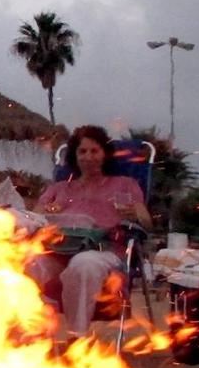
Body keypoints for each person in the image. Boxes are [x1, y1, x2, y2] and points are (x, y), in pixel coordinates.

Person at [28, 125, 152, 338]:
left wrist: (135, 212)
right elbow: (34, 219)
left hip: (105, 250)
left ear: (105, 154)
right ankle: (31, 335)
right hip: (59, 250)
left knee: (83, 263)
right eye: (82, 151)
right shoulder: (59, 189)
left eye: (94, 151)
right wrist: (47, 212)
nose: (88, 157)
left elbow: (147, 224)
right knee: (27, 262)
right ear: (74, 156)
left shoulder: (124, 184)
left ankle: (76, 337)